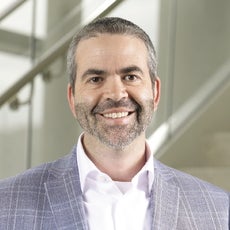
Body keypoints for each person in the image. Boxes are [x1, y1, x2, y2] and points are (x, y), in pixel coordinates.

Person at [0, 17, 229, 230]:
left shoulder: (219, 210)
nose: (116, 94)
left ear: (155, 92)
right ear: (72, 98)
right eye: (96, 79)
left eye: (130, 77)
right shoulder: (7, 203)